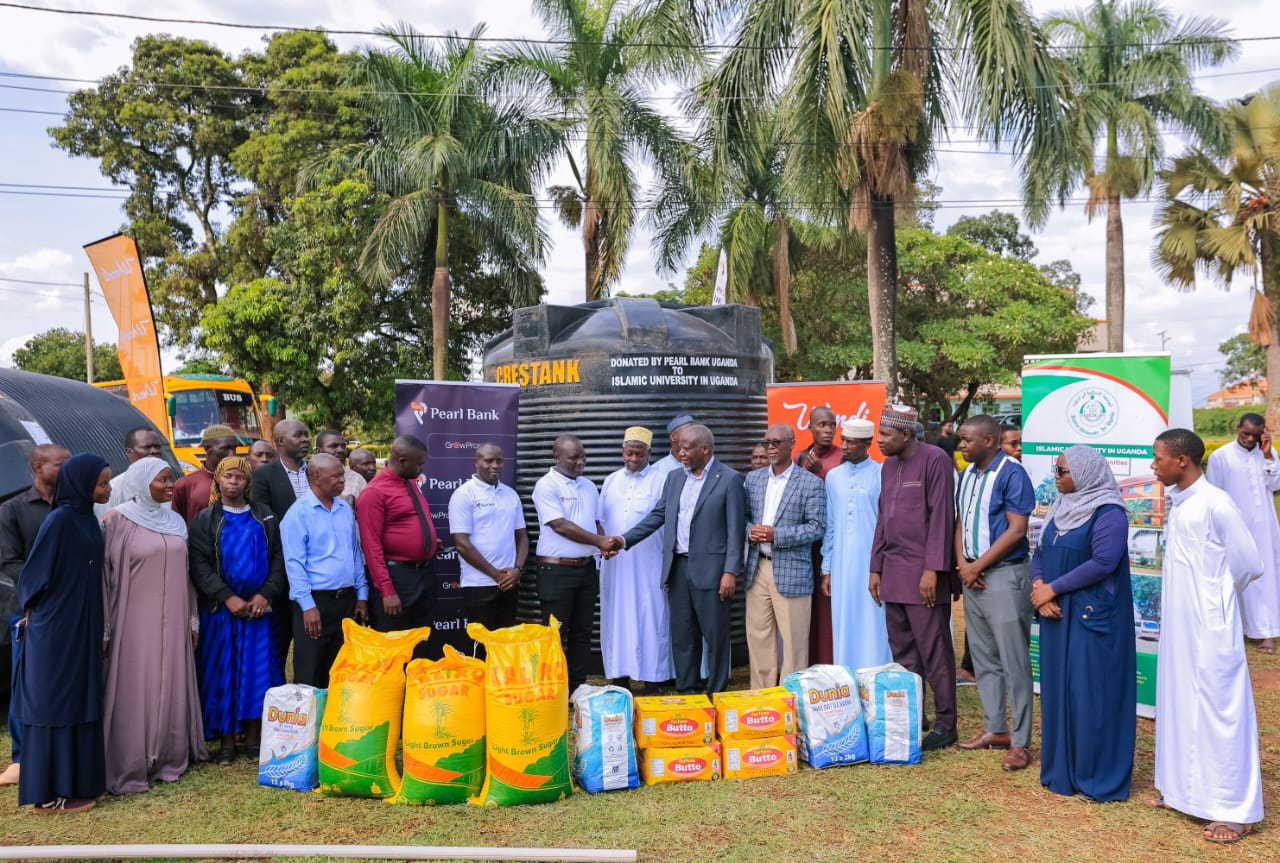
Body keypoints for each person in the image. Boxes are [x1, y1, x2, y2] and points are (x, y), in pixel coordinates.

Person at [1150, 428, 1264, 844]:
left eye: (1158, 458)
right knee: (1181, 704)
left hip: (1211, 626)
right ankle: (1182, 792)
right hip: (1181, 627)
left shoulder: (1217, 504)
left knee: (1222, 711)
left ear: (1182, 461)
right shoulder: (1182, 502)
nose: (1153, 465)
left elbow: (1249, 564)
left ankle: (1235, 810)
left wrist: (1214, 600)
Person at [1029, 445, 1135, 802]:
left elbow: (1104, 562)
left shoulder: (1109, 511)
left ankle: (1096, 777)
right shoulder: (1060, 506)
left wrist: (1052, 590)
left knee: (1091, 694)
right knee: (1059, 690)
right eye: (1056, 471)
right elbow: (1041, 550)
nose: (1056, 478)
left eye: (1063, 472)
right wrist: (1039, 587)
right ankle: (1062, 771)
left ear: (1086, 474)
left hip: (1092, 616)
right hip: (1056, 612)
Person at [13, 453, 112, 813]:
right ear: (83, 484)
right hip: (57, 627)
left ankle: (81, 783)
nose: (108, 489)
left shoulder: (86, 517)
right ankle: (49, 794)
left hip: (82, 622)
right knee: (54, 702)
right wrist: (38, 613)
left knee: (81, 697)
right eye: (102, 483)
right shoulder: (60, 520)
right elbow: (33, 577)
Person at [102, 457, 206, 794]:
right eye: (162, 479)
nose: (169, 485)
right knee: (135, 685)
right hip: (132, 622)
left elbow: (188, 576)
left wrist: (192, 619)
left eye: (171, 479)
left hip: (174, 619)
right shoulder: (116, 520)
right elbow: (104, 579)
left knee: (169, 682)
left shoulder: (175, 521)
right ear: (141, 480)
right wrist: (105, 627)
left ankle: (166, 757)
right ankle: (130, 761)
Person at [620, 424, 746, 697]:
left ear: (705, 449)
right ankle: (687, 692)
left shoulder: (729, 479)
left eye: (687, 448)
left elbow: (736, 531)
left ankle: (716, 694)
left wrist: (730, 572)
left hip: (713, 573)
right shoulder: (675, 478)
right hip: (678, 569)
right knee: (683, 635)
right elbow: (658, 516)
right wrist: (623, 540)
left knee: (715, 637)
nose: (680, 453)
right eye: (678, 448)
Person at [869, 404, 958, 751]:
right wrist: (875, 567)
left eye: (885, 435)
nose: (880, 441)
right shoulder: (888, 466)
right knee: (903, 650)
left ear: (905, 434)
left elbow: (942, 519)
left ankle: (946, 723)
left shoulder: (935, 459)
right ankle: (913, 712)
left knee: (934, 650)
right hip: (893, 572)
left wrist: (932, 570)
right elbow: (882, 520)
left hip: (924, 576)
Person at [188, 456, 287, 765]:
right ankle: (228, 741)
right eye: (227, 477)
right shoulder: (206, 519)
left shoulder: (265, 516)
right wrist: (227, 596)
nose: (233, 482)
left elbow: (279, 559)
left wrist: (265, 595)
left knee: (258, 674)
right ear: (218, 480)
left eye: (239, 477)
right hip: (223, 612)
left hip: (258, 612)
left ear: (248, 483)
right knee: (223, 674)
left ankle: (255, 738)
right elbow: (199, 565)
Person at [953, 416, 1035, 771]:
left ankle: (1020, 742)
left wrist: (978, 565)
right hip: (972, 576)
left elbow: (1017, 530)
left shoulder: (1012, 473)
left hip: (1002, 576)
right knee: (984, 658)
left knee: (1013, 661)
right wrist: (963, 564)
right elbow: (959, 522)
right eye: (959, 439)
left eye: (967, 440)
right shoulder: (967, 474)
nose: (961, 445)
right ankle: (994, 729)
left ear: (988, 440)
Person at [0, 445, 70, 789]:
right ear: (39, 467)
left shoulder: (75, 506)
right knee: (25, 682)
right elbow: (10, 563)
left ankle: (60, 752)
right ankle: (21, 757)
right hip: (32, 610)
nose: (68, 469)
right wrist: (43, 590)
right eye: (62, 464)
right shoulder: (12, 510)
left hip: (72, 609)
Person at [744, 423, 825, 688]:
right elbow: (742, 518)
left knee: (794, 643)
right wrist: (750, 531)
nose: (770, 447)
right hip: (757, 569)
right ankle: (763, 702)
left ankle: (791, 702)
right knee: (758, 638)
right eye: (767, 442)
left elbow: (817, 527)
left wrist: (777, 535)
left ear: (792, 444)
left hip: (792, 570)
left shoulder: (810, 483)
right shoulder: (753, 480)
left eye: (776, 442)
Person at [533, 434, 614, 693]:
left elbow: (596, 521)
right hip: (556, 570)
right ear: (557, 458)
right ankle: (552, 689)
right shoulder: (546, 486)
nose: (581, 462)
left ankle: (577, 688)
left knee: (582, 631)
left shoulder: (589, 486)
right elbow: (560, 526)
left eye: (583, 457)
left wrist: (603, 547)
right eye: (574, 458)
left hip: (586, 568)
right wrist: (600, 541)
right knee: (554, 634)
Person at [281, 454, 368, 688]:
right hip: (316, 603)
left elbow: (355, 554)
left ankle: (336, 723)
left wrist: (362, 596)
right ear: (317, 478)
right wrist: (308, 606)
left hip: (346, 600)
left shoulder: (344, 510)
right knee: (311, 672)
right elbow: (294, 564)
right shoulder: (297, 514)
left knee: (341, 671)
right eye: (337, 476)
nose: (343, 481)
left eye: (343, 475)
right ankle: (311, 724)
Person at [598, 427, 673, 691]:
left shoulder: (662, 479)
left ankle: (653, 679)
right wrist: (603, 546)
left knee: (651, 617)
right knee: (616, 618)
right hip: (616, 565)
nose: (633, 459)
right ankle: (619, 678)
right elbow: (601, 521)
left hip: (650, 563)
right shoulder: (611, 480)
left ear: (649, 453)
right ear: (622, 452)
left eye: (639, 454)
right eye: (629, 453)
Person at [356, 436, 440, 657]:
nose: (422, 469)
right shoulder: (374, 492)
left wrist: (428, 543)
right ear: (402, 460)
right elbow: (371, 545)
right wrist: (387, 590)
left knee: (423, 643)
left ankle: (416, 690)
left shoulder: (410, 483)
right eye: (418, 464)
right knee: (395, 648)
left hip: (423, 574)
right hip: (397, 579)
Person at [1205, 413, 1280, 654]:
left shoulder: (1267, 454)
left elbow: (1276, 486)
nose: (1249, 439)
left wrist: (1268, 456)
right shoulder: (1220, 456)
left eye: (1255, 435)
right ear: (1238, 428)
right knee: (1235, 576)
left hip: (1265, 528)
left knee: (1266, 578)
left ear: (1263, 433)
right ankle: (1240, 628)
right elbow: (1214, 493)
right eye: (1245, 433)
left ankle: (1267, 632)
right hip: (1234, 526)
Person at [821, 419, 891, 671]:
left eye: (851, 442)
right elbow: (830, 525)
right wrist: (827, 568)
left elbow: (887, 523)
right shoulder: (833, 477)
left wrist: (882, 566)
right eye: (843, 441)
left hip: (872, 563)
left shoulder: (882, 473)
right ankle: (847, 680)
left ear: (867, 444)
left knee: (874, 621)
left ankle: (877, 676)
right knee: (845, 620)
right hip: (841, 564)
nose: (845, 446)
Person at [449, 443, 527, 653]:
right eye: (488, 460)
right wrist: (496, 575)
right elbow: (462, 544)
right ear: (476, 463)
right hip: (479, 584)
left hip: (509, 583)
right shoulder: (464, 494)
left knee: (503, 644)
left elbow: (522, 536)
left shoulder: (510, 495)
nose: (495, 465)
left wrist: (517, 570)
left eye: (499, 460)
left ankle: (498, 686)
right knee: (479, 645)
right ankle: (479, 686)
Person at [795, 406, 842, 665]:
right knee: (807, 608)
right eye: (822, 425)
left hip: (832, 544)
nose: (827, 430)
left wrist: (819, 475)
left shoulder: (843, 457)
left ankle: (830, 660)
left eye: (832, 425)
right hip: (805, 546)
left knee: (828, 607)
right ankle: (810, 663)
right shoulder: (799, 457)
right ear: (810, 427)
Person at [171, 424, 240, 525]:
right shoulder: (185, 485)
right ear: (207, 448)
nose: (232, 454)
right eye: (225, 449)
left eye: (234, 448)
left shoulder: (245, 482)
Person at [251, 419, 310, 522]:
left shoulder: (316, 470)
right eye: (298, 435)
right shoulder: (263, 476)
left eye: (306, 435)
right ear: (281, 441)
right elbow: (263, 516)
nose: (305, 439)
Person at [97, 427, 165, 515]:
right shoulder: (114, 489)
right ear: (129, 452)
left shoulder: (167, 486)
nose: (154, 451)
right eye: (147, 447)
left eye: (157, 447)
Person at [317, 429, 367, 506]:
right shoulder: (306, 478)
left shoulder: (357, 479)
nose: (341, 450)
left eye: (343, 446)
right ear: (319, 451)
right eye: (334, 446)